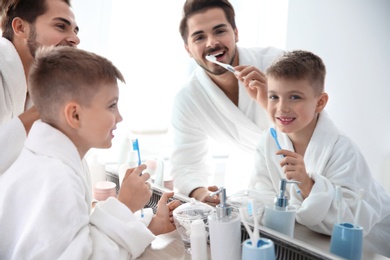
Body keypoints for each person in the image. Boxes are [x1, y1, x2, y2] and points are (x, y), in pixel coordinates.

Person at [0, 46, 181, 259]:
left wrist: (150, 224)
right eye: (111, 106)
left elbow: (80, 243)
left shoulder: (40, 161)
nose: (120, 117)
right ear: (75, 115)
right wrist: (125, 205)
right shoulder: (56, 178)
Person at [249, 50, 390, 257]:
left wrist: (308, 185)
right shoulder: (269, 140)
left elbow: (354, 218)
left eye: (294, 97)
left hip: (367, 244)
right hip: (308, 240)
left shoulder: (342, 149)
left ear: (320, 102)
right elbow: (260, 192)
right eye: (274, 96)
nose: (282, 107)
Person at [170, 0, 284, 204]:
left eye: (220, 31)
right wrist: (201, 193)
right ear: (188, 49)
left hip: (309, 175)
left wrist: (272, 100)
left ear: (236, 33)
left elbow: (312, 122)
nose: (211, 43)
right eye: (199, 37)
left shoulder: (277, 64)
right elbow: (187, 166)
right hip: (255, 190)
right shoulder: (188, 99)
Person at [0, 0, 80, 174]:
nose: (75, 39)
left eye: (75, 30)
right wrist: (40, 110)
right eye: (61, 26)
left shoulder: (37, 89)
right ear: (21, 27)